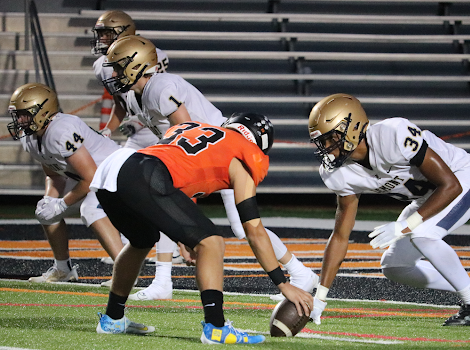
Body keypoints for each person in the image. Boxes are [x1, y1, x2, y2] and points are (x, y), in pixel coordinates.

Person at [102, 34, 319, 301]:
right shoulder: (139, 94)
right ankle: (163, 280)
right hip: (202, 153)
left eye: (118, 66)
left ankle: (298, 273)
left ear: (136, 66)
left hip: (218, 155)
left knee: (241, 226)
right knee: (192, 217)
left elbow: (183, 130)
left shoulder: (160, 87)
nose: (112, 73)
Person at [90, 114, 314, 343]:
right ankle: (216, 327)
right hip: (144, 172)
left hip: (116, 167)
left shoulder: (197, 130)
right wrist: (283, 284)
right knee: (212, 241)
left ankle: (113, 319)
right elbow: (254, 230)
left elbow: (174, 182)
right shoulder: (243, 154)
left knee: (142, 240)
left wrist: (183, 236)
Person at [307, 93, 470, 326]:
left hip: (464, 178)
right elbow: (340, 236)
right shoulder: (338, 172)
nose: (326, 149)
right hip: (427, 197)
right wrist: (320, 296)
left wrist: (405, 225)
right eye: (321, 142)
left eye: (330, 139)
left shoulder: (393, 134)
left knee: (422, 234)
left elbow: (450, 185)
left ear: (352, 128)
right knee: (395, 266)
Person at [91, 10, 178, 293]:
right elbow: (122, 100)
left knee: (161, 197)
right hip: (142, 139)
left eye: (108, 32)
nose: (102, 38)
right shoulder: (102, 65)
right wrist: (108, 130)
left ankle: (168, 256)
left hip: (163, 136)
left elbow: (158, 94)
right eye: (100, 33)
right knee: (98, 197)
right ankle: (130, 264)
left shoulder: (152, 55)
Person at [6, 82, 124, 283]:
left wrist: (62, 204)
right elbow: (54, 175)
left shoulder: (61, 130)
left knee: (91, 209)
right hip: (94, 176)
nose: (20, 119)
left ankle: (124, 274)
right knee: (45, 212)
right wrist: (49, 200)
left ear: (43, 111)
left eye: (25, 113)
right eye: (18, 114)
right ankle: (63, 269)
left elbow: (91, 177)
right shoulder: (31, 138)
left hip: (118, 172)